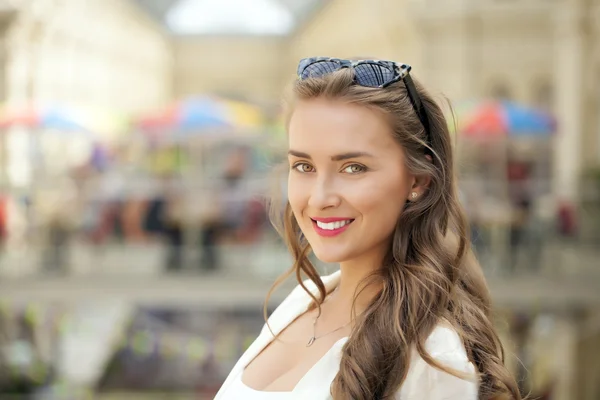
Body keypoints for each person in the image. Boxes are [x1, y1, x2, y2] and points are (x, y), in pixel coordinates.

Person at [214, 57, 521, 399]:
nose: (320, 198)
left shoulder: (432, 358)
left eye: (353, 168)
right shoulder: (302, 302)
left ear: (417, 179)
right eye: (303, 165)